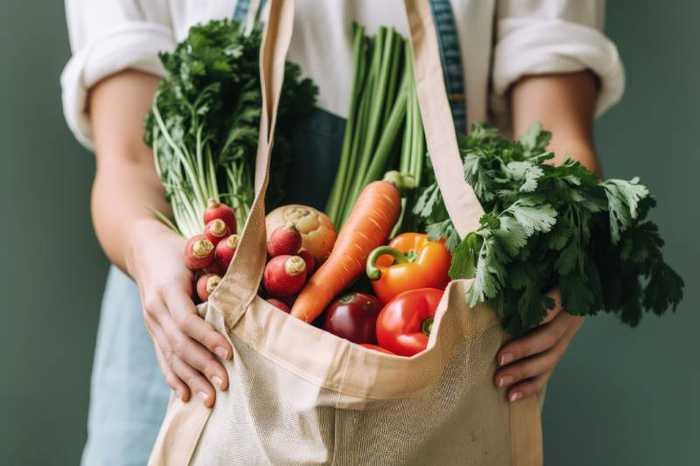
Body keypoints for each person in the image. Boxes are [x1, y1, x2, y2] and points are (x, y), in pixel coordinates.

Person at [61, 0, 624, 464]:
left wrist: (569, 252)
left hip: (413, 318)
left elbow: (556, 137)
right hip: (190, 325)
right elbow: (128, 164)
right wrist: (149, 249)